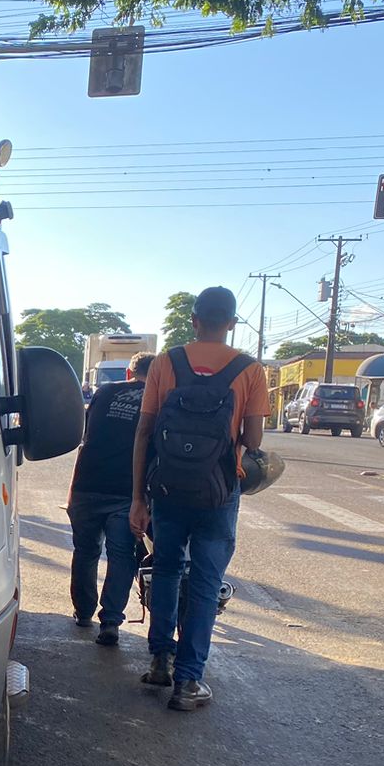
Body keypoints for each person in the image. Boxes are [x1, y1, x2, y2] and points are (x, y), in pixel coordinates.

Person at [129, 288, 269, 711]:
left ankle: (159, 660)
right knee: (206, 583)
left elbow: (144, 432)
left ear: (194, 320)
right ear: (232, 323)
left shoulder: (166, 363)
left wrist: (138, 498)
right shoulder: (250, 370)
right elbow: (253, 440)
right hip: (218, 492)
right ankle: (189, 682)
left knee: (166, 569)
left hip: (168, 489)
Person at [67, 352, 153, 644]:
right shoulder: (157, 400)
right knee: (121, 555)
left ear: (129, 373)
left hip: (87, 485)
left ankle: (83, 612)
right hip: (126, 491)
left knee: (85, 551)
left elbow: (87, 435)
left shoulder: (103, 392)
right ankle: (111, 622)